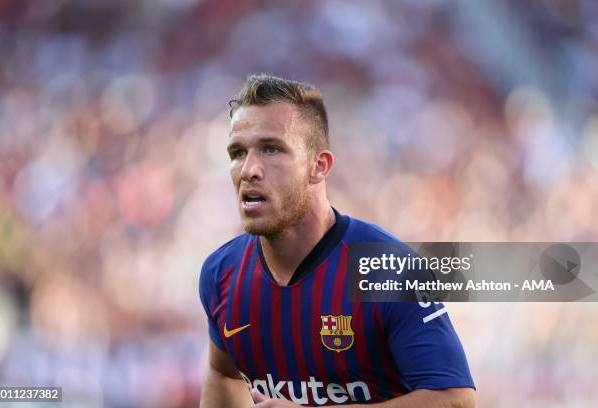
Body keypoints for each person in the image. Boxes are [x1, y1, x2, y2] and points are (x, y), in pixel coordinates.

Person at [199, 74, 476, 407]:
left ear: (318, 166)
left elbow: (456, 400)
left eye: (271, 149)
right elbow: (223, 373)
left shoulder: (387, 269)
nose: (249, 169)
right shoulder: (222, 272)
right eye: (238, 152)